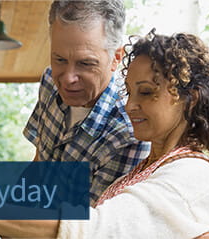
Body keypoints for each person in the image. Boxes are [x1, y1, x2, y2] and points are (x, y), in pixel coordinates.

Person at [0, 31, 209, 239]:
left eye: (147, 93)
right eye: (129, 92)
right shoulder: (151, 166)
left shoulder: (190, 175)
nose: (130, 106)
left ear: (190, 98)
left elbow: (87, 230)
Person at [25, 0, 150, 205]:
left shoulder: (129, 134)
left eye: (85, 63)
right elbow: (38, 165)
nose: (67, 79)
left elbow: (88, 228)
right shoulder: (50, 81)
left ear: (116, 58)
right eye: (59, 60)